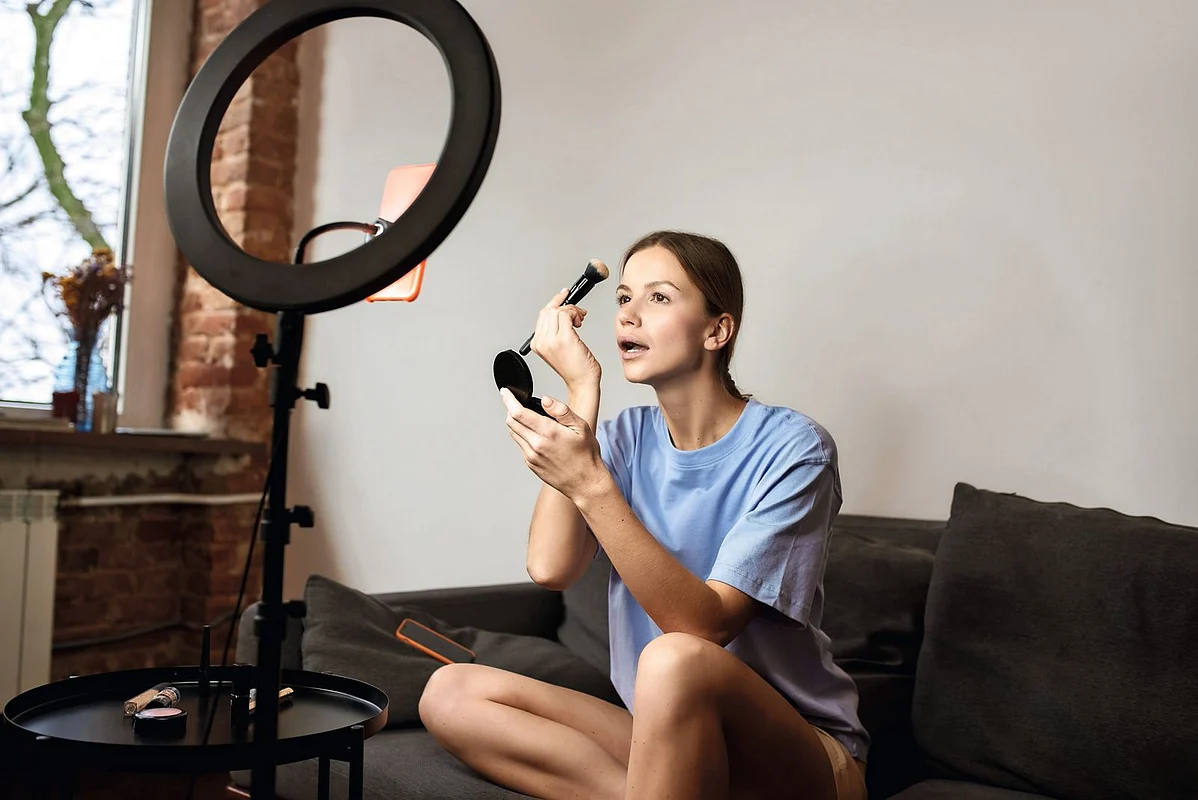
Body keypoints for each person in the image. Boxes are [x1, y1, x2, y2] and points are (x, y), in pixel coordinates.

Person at [419, 230, 869, 800]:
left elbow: (705, 629)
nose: (629, 314)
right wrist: (581, 393)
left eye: (658, 297)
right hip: (667, 738)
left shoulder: (795, 448)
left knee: (674, 658)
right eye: (623, 297)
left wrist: (588, 481)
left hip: (799, 758)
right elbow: (550, 568)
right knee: (450, 693)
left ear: (717, 330)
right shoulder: (624, 439)